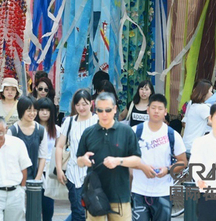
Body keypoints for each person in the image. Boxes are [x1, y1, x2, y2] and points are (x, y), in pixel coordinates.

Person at [75, 93, 142, 221]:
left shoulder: (126, 131)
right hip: (94, 194)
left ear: (115, 109)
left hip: (119, 195)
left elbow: (137, 159)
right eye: (100, 110)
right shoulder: (88, 133)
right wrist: (83, 160)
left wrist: (119, 161)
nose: (104, 114)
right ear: (96, 110)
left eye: (108, 110)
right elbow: (79, 160)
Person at [131, 94, 187, 221]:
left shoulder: (172, 134)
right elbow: (125, 159)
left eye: (160, 108)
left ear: (165, 112)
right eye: (153, 107)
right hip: (139, 191)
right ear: (147, 109)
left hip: (163, 192)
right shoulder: (135, 132)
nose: (156, 111)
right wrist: (142, 167)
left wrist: (167, 170)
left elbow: (183, 162)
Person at [55, 89, 98, 221]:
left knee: (93, 211)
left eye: (84, 104)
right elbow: (60, 146)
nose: (81, 108)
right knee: (78, 210)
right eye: (78, 104)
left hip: (94, 173)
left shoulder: (98, 120)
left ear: (91, 103)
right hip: (74, 172)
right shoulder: (69, 121)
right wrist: (58, 169)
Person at [7, 96, 48, 183]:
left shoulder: (40, 130)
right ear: (21, 110)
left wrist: (37, 178)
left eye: (35, 110)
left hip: (35, 179)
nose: (32, 113)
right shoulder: (13, 131)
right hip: (16, 180)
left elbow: (43, 156)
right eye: (29, 110)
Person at [35, 97, 61, 221]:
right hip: (35, 170)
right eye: (41, 110)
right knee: (34, 204)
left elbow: (60, 150)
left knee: (48, 205)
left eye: (47, 110)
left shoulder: (57, 130)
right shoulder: (32, 128)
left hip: (49, 171)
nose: (44, 113)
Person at [182, 79, 213, 153]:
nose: (212, 94)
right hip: (193, 147)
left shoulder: (194, 105)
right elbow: (215, 123)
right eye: (210, 91)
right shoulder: (203, 108)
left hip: (187, 145)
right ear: (204, 93)